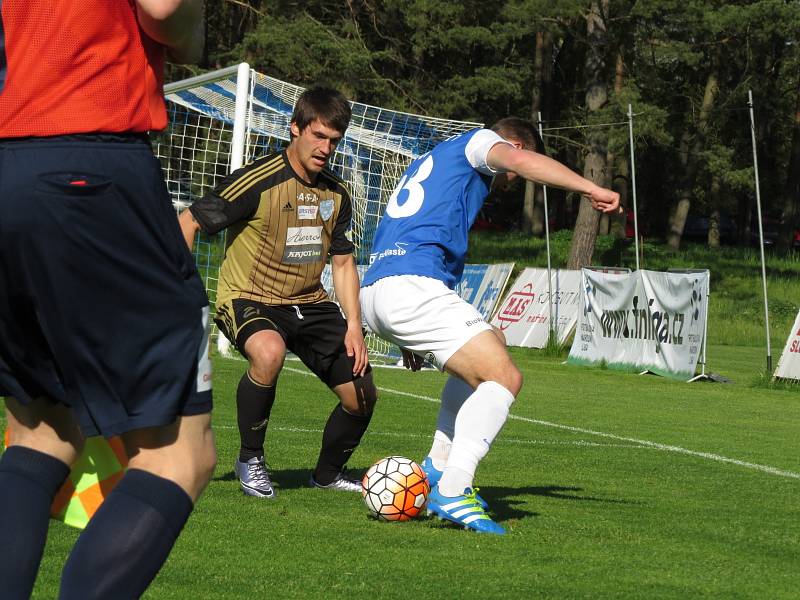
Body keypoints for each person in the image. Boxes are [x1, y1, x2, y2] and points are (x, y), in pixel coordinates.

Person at [0, 1, 216, 598]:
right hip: (89, 168)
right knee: (180, 455)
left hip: (8, 169)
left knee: (41, 434)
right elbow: (165, 8)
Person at [360, 117, 620, 535]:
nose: (508, 178)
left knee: (492, 342)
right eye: (512, 170)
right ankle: (455, 488)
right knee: (504, 376)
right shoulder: (480, 143)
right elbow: (519, 159)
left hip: (379, 287)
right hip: (410, 286)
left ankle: (438, 468)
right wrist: (590, 188)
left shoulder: (432, 160)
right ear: (512, 144)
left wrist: (404, 329)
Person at [179, 87, 377, 499]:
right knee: (268, 352)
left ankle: (327, 475)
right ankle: (250, 458)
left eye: (334, 141)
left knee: (361, 394)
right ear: (295, 128)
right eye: (318, 136)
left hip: (308, 302)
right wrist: (176, 289)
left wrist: (354, 326)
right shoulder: (260, 179)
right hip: (249, 296)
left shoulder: (336, 195)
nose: (326, 148)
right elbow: (189, 221)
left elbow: (342, 263)